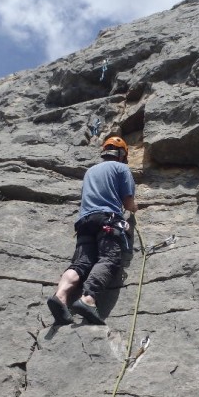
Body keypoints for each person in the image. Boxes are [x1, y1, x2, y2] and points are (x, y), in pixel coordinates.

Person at [47, 136, 138, 325]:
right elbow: (128, 203)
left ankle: (61, 296)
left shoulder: (90, 172)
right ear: (122, 155)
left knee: (81, 263)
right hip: (107, 219)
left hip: (84, 222)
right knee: (109, 258)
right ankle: (88, 299)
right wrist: (135, 209)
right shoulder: (122, 168)